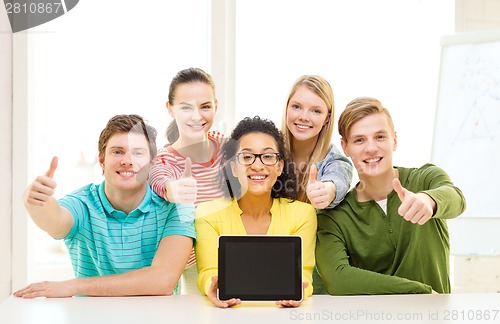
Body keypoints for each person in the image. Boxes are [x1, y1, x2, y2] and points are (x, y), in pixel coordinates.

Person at [14, 114, 195, 298]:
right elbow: (56, 221)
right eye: (117, 151)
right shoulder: (83, 203)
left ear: (152, 163)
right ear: (102, 161)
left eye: (138, 153)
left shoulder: (177, 206)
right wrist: (38, 204)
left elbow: (162, 281)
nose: (127, 161)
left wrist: (75, 286)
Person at [315, 97, 467, 295]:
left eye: (379, 137)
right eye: (359, 140)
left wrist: (428, 200)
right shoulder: (334, 216)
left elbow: (456, 199)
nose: (370, 148)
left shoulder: (426, 179)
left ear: (394, 140)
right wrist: (420, 291)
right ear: (345, 148)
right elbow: (337, 279)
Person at [195, 116, 317, 308]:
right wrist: (214, 286)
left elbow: (303, 274)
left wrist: (300, 289)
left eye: (268, 156)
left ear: (280, 166)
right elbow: (209, 271)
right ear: (233, 167)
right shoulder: (207, 214)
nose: (257, 165)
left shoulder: (302, 214)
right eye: (246, 157)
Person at [149, 67, 226, 294]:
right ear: (170, 109)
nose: (196, 116)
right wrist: (174, 190)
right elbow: (160, 182)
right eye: (185, 108)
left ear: (215, 107)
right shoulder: (163, 160)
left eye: (205, 107)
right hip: (196, 268)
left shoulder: (225, 144)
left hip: (236, 254)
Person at [281, 75, 353, 209]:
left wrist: (327, 191)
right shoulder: (267, 151)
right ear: (287, 108)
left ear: (327, 118)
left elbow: (338, 178)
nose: (303, 117)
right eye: (296, 107)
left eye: (316, 111)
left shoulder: (334, 161)